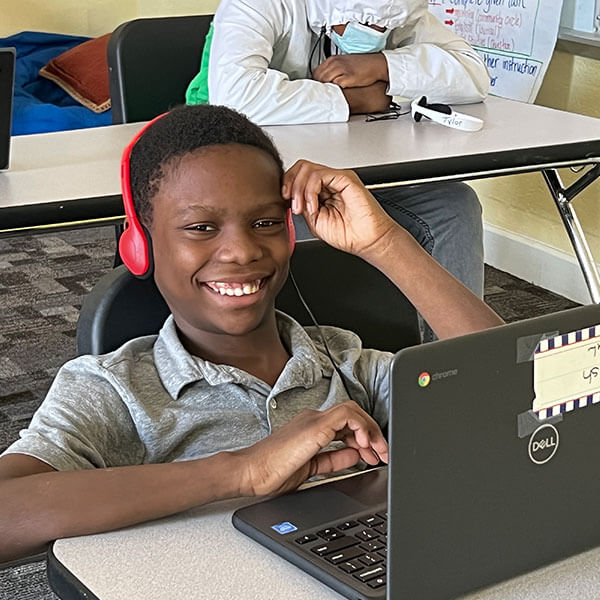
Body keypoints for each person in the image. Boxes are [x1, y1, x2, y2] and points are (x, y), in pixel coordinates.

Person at [0, 105, 502, 562]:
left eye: (264, 222)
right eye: (201, 227)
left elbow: (523, 388)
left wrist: (385, 242)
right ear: (141, 246)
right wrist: (240, 471)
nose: (241, 251)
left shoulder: (347, 365)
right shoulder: (113, 390)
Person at [186, 0, 490, 331]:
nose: (374, 32)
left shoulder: (396, 12)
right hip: (249, 177)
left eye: (381, 27)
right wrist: (354, 100)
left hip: (345, 170)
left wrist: (381, 64)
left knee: (454, 205)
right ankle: (315, 356)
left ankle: (458, 362)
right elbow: (236, 98)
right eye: (364, 24)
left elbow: (474, 74)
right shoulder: (259, 5)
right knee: (303, 221)